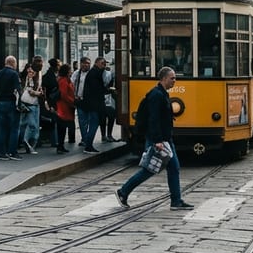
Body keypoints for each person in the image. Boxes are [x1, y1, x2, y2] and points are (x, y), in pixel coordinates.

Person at [116, 67, 194, 211]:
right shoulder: (156, 95)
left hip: (165, 139)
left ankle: (176, 201)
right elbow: (153, 119)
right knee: (149, 169)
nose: (174, 81)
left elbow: (160, 116)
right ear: (164, 78)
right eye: (172, 78)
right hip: (158, 140)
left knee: (174, 168)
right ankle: (123, 191)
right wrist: (157, 140)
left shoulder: (162, 93)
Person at [0, 55, 21, 160]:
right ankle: (12, 152)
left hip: (0, 103)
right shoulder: (14, 74)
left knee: (2, 129)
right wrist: (19, 105)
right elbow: (18, 91)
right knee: (14, 129)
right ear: (13, 63)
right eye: (15, 63)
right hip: (11, 103)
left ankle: (2, 153)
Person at [16, 57, 43, 155]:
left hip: (31, 103)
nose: (41, 64)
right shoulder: (32, 72)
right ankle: (27, 143)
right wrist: (39, 93)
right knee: (33, 126)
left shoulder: (37, 73)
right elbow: (30, 90)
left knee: (25, 125)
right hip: (31, 102)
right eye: (39, 62)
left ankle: (26, 144)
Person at [79, 57, 106, 153]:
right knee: (93, 124)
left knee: (93, 124)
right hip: (94, 104)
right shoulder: (95, 73)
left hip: (93, 103)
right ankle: (88, 145)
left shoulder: (93, 72)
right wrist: (106, 90)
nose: (104, 66)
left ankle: (88, 144)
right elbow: (97, 89)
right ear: (97, 63)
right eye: (102, 63)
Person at [54, 63, 76, 154]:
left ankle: (61, 145)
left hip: (66, 106)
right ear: (67, 71)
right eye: (70, 70)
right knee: (62, 127)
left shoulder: (66, 80)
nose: (71, 71)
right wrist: (72, 101)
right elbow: (64, 94)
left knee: (63, 126)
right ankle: (60, 145)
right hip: (63, 107)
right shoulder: (63, 81)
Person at [70, 57, 90, 146]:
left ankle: (88, 138)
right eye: (85, 63)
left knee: (90, 120)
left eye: (88, 63)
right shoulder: (76, 74)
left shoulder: (91, 73)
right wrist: (74, 96)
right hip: (79, 99)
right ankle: (84, 138)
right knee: (82, 121)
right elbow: (71, 85)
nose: (87, 65)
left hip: (89, 100)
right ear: (81, 64)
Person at [101, 61, 118, 142]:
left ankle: (108, 134)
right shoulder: (98, 74)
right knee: (103, 118)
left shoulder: (109, 73)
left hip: (109, 97)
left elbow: (112, 84)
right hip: (103, 97)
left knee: (110, 117)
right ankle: (104, 135)